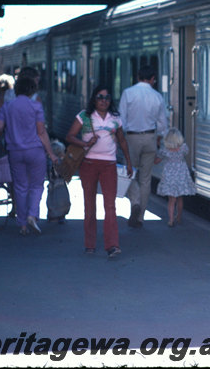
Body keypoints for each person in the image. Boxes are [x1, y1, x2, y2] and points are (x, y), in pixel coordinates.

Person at [66, 86, 133, 258]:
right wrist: (85, 144)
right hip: (88, 164)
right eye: (100, 97)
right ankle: (90, 244)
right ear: (94, 99)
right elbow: (70, 136)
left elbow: (122, 141)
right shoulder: (85, 116)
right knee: (89, 205)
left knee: (110, 206)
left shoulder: (115, 118)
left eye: (107, 97)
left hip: (109, 165)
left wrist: (129, 162)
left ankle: (112, 245)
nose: (104, 100)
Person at [0, 73, 59, 236]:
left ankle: (22, 225)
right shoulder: (35, 106)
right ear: (32, 90)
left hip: (15, 151)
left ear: (16, 90)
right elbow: (41, 131)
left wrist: (8, 129)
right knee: (36, 185)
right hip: (35, 151)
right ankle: (32, 215)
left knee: (20, 187)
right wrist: (51, 153)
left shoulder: (7, 106)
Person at [118, 65, 169, 228]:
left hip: (131, 138)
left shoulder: (128, 93)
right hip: (150, 138)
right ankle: (140, 218)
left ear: (138, 76)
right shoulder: (157, 96)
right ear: (153, 79)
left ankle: (135, 202)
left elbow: (121, 120)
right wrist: (159, 139)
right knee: (146, 179)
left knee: (128, 173)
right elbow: (163, 124)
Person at [154, 128, 196, 227]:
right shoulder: (184, 148)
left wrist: (157, 148)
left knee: (171, 200)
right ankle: (179, 217)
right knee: (180, 198)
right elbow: (186, 153)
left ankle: (171, 220)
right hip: (181, 174)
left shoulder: (164, 150)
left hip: (169, 175)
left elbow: (156, 162)